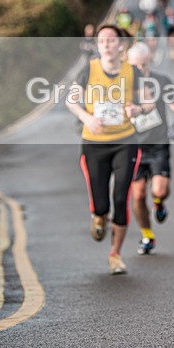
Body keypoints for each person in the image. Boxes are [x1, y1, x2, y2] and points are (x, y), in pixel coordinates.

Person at [65, 24, 145, 275]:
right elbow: (71, 100)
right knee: (102, 203)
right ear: (98, 46)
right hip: (94, 143)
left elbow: (149, 102)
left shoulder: (132, 72)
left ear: (120, 45)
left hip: (125, 141)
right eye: (102, 42)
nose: (107, 45)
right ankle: (99, 216)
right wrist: (86, 118)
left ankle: (115, 255)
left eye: (111, 40)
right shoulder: (88, 71)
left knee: (121, 197)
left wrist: (138, 109)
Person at [127, 42, 174, 255]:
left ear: (150, 61)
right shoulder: (122, 85)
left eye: (143, 65)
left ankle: (158, 203)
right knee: (137, 195)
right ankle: (147, 235)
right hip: (133, 147)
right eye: (135, 66)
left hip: (158, 144)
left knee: (159, 190)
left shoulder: (161, 81)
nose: (140, 70)